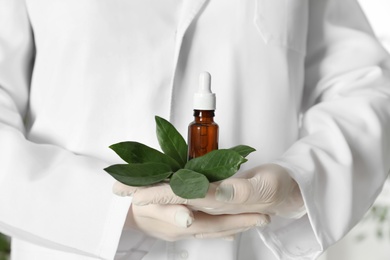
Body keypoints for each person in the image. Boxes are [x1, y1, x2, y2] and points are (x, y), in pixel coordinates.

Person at [0, 0, 389, 259]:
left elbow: (367, 85)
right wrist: (108, 212)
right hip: (75, 247)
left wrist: (299, 179)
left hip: (246, 245)